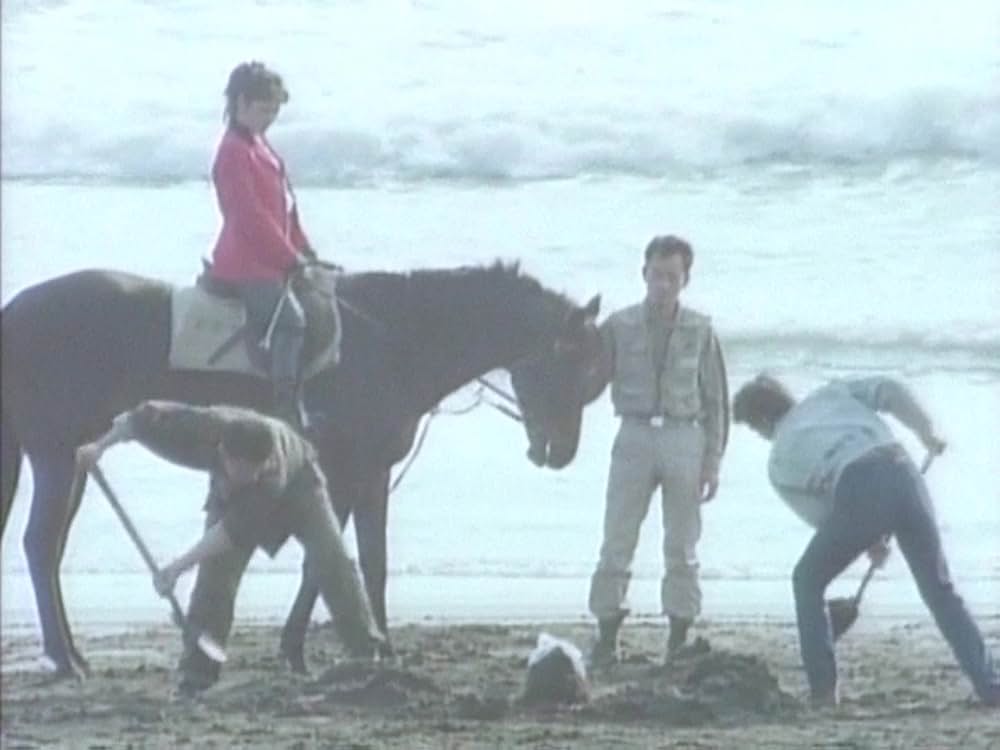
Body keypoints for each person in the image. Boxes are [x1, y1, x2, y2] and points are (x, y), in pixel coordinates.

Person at [76, 400, 384, 693]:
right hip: (228, 490)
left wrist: (176, 568)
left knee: (331, 559)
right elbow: (136, 419)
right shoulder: (201, 426)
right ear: (225, 455)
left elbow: (228, 535)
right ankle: (198, 672)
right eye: (246, 471)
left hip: (301, 485)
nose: (253, 476)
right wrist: (99, 446)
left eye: (258, 470)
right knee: (215, 576)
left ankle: (365, 653)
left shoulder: (269, 477)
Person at [732, 373, 1000, 707]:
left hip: (858, 488)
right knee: (939, 589)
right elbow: (889, 390)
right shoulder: (831, 394)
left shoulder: (779, 462)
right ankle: (990, 685)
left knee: (807, 580)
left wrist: (870, 541)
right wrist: (925, 431)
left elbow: (825, 516)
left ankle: (824, 692)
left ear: (761, 422)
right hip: (903, 471)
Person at [587, 235, 729, 666]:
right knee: (617, 538)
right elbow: (588, 376)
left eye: (672, 277)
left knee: (682, 544)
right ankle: (607, 634)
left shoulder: (700, 330)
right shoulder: (619, 326)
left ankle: (679, 637)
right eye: (656, 275)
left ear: (685, 280)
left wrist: (713, 461)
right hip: (633, 434)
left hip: (684, 436)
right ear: (643, 273)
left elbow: (717, 401)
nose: (662, 285)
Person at [209, 61, 316, 429]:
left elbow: (285, 208)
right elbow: (248, 215)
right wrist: (288, 258)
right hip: (246, 264)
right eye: (264, 109)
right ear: (241, 102)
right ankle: (283, 407)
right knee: (290, 322)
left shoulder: (260, 144)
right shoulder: (233, 151)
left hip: (272, 259)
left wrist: (305, 250)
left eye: (274, 111)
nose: (270, 118)